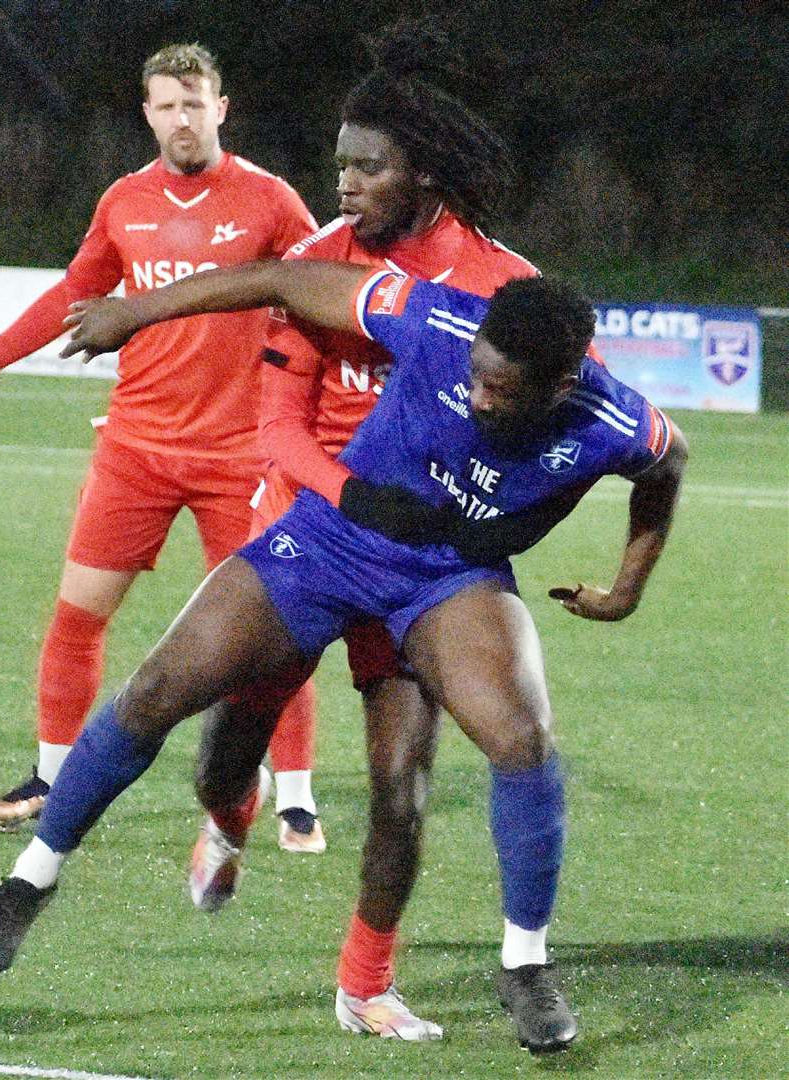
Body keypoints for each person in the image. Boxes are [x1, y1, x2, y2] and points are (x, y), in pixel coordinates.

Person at [0, 261, 687, 1055]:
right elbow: (281, 279)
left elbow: (668, 462)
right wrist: (136, 311)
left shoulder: (610, 420)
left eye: (503, 392)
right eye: (478, 378)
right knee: (158, 690)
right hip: (332, 545)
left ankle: (524, 965)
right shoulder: (435, 319)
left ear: (562, 383)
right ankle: (33, 876)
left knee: (519, 742)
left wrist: (626, 588)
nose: (480, 397)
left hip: (446, 579)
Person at [192, 23, 555, 1031]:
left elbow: (527, 439)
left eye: (363, 163)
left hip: (415, 561)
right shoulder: (314, 262)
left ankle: (364, 984)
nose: (344, 181)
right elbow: (277, 424)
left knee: (402, 781)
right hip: (312, 525)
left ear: (420, 168)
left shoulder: (503, 285)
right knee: (233, 740)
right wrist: (349, 501)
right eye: (340, 162)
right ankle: (229, 817)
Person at [0, 44, 321, 846]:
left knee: (275, 630)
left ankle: (295, 794)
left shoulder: (270, 201)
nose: (182, 118)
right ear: (149, 113)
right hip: (136, 448)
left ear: (221, 109)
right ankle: (53, 780)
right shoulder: (124, 201)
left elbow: (321, 284)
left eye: (195, 103)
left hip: (241, 457)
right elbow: (74, 292)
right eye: (167, 105)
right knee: (78, 616)